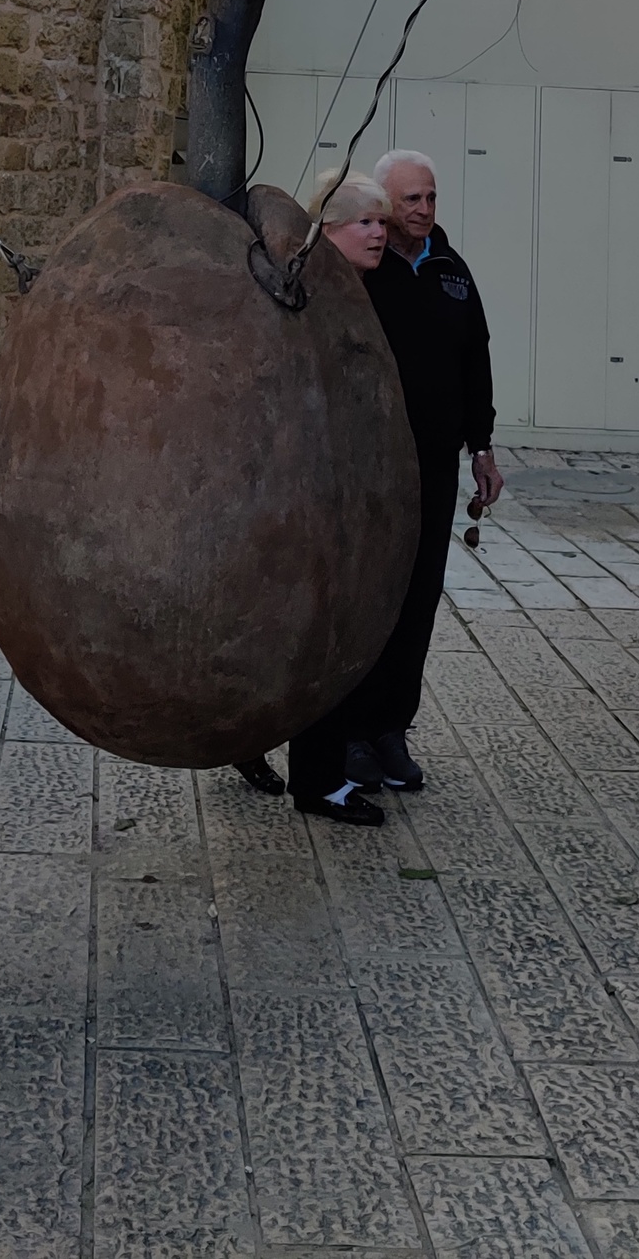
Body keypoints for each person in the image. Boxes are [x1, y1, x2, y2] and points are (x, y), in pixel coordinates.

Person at [342, 148, 502, 798]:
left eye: (430, 198)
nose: (423, 210)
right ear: (382, 204)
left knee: (416, 599)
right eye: (411, 199)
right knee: (366, 597)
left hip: (434, 467)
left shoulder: (449, 269)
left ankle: (389, 730)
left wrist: (482, 447)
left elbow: (476, 360)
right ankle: (348, 732)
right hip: (371, 469)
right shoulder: (363, 269)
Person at [256, 173, 401, 825]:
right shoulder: (306, 292)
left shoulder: (361, 293)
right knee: (317, 637)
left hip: (342, 497)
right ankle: (316, 780)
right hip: (308, 499)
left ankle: (283, 755)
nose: (379, 233)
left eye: (382, 222)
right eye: (365, 222)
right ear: (329, 229)